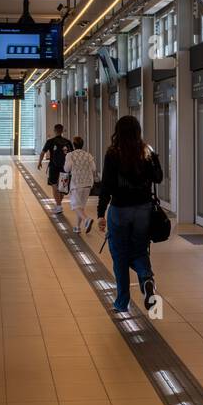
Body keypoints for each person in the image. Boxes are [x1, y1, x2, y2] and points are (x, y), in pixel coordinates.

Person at [96, 115, 163, 314]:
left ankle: (122, 302)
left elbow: (106, 185)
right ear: (137, 131)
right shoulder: (146, 151)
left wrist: (100, 213)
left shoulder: (113, 153)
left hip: (119, 210)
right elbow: (158, 177)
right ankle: (146, 279)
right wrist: (153, 156)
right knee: (140, 250)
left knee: (120, 255)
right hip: (143, 209)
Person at [62, 135, 99, 234]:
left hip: (76, 183)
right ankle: (77, 227)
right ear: (82, 145)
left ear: (73, 145)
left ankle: (86, 220)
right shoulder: (88, 155)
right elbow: (94, 168)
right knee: (81, 206)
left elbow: (67, 169)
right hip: (88, 183)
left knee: (75, 205)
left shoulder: (70, 155)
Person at [38, 123, 74, 213]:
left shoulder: (50, 141)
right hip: (65, 167)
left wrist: (39, 162)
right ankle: (59, 205)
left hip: (54, 166)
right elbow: (72, 155)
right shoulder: (68, 142)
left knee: (54, 185)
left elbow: (43, 152)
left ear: (54, 131)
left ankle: (58, 205)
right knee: (63, 186)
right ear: (62, 131)